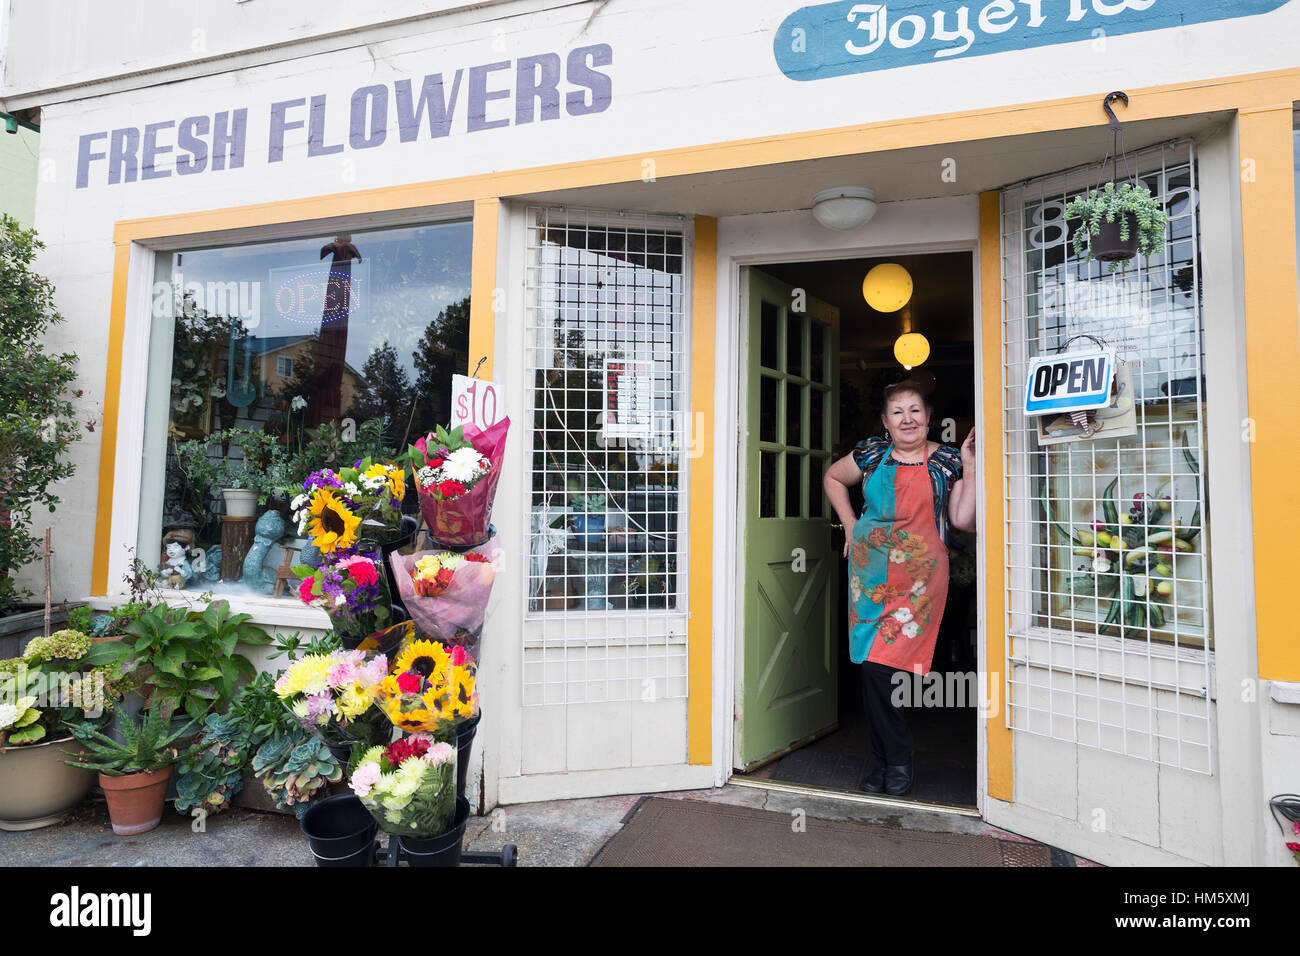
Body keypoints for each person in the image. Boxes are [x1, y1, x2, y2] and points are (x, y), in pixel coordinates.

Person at [822, 380, 976, 796]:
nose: (907, 419)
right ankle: (887, 760)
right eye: (897, 412)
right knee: (872, 667)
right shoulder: (871, 454)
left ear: (928, 417)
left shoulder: (948, 462)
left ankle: (895, 757)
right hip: (870, 575)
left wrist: (972, 463)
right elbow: (833, 478)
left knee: (880, 668)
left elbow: (965, 520)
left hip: (920, 579)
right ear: (885, 422)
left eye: (915, 410)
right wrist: (851, 524)